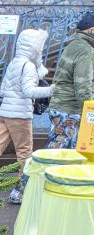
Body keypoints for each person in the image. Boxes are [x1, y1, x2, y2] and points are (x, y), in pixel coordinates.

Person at [0, 28, 54, 204]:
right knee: (24, 153)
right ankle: (21, 190)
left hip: (5, 113)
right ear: (34, 48)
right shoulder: (29, 66)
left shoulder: (15, 62)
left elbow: (3, 90)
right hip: (19, 116)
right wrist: (51, 90)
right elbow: (28, 91)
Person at [47, 11, 94, 150]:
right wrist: (90, 110)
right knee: (61, 153)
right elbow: (83, 84)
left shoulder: (73, 45)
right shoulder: (85, 50)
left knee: (57, 148)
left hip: (61, 107)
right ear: (91, 29)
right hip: (69, 109)